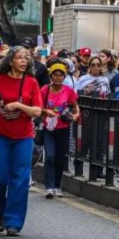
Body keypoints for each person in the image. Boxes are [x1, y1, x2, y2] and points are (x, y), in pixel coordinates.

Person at [0, 46, 43, 236]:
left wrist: (18, 105)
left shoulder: (31, 82)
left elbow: (37, 111)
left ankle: (13, 222)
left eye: (26, 58)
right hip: (0, 133)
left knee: (20, 179)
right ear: (10, 61)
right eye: (19, 57)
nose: (23, 61)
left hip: (23, 136)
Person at [40, 63, 79, 199]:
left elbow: (75, 106)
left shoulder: (68, 91)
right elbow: (38, 107)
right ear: (51, 76)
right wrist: (46, 111)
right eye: (55, 75)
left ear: (64, 76)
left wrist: (76, 115)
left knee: (60, 159)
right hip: (49, 128)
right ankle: (49, 187)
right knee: (50, 156)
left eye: (60, 75)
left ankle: (57, 186)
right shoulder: (44, 90)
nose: (57, 77)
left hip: (63, 128)